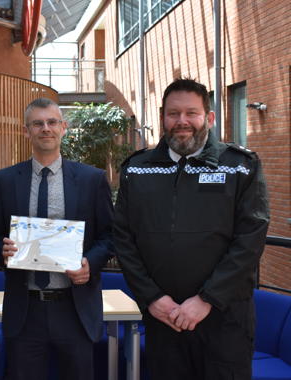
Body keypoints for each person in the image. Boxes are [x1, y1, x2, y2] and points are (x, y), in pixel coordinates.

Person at [114, 78, 270, 380]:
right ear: (162, 118)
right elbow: (124, 239)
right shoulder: (137, 168)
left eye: (191, 113)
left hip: (224, 321)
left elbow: (250, 239)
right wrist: (153, 299)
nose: (182, 122)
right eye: (173, 114)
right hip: (164, 319)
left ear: (208, 118)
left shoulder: (240, 166)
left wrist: (207, 299)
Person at [0, 98, 114, 379]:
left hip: (74, 308)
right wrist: (1, 251)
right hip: (25, 309)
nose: (46, 128)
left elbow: (111, 235)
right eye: (37, 123)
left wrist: (90, 263)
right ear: (25, 131)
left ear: (63, 128)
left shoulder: (92, 179)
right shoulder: (5, 180)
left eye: (52, 122)